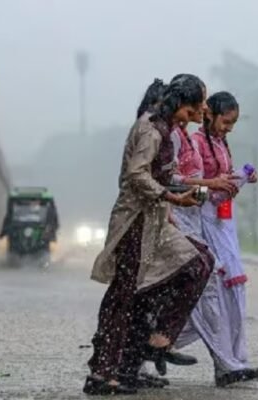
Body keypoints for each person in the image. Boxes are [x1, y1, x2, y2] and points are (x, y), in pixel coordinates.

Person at [84, 75, 214, 396]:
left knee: (189, 266)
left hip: (153, 222)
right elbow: (136, 174)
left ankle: (145, 348)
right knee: (123, 296)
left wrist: (183, 193)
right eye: (193, 107)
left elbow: (162, 177)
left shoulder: (166, 130)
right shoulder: (151, 129)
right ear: (179, 104)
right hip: (134, 223)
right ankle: (102, 372)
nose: (196, 114)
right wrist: (172, 198)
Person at [178, 91, 258, 387]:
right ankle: (223, 360)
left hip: (222, 222)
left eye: (233, 123)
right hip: (202, 223)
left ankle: (235, 359)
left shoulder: (217, 143)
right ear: (209, 115)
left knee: (233, 293)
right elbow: (194, 187)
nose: (229, 128)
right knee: (211, 294)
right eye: (226, 121)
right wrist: (218, 187)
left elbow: (217, 184)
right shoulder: (194, 142)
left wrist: (236, 180)